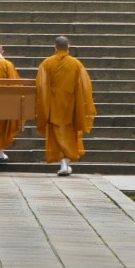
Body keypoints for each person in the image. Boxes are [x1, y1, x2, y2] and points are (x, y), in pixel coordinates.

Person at [35, 36, 96, 176]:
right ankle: (65, 162)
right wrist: (83, 103)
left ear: (55, 47)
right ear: (68, 47)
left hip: (53, 105)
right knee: (69, 133)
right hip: (71, 105)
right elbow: (85, 86)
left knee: (57, 134)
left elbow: (41, 86)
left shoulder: (46, 63)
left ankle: (63, 163)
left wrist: (43, 105)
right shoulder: (76, 64)